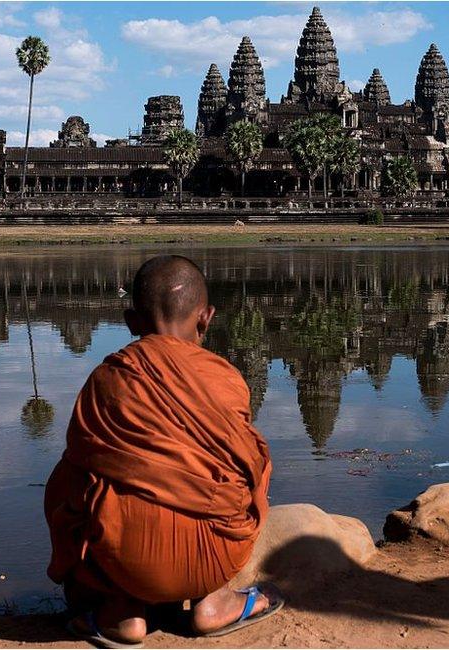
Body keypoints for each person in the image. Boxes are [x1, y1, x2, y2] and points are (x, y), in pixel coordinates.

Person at [45, 255, 281, 648]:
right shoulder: (225, 378)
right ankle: (215, 601)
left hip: (126, 562)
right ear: (206, 319)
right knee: (252, 463)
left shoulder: (108, 379)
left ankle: (123, 613)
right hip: (215, 555)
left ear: (130, 322)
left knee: (73, 479)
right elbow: (247, 470)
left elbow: (73, 483)